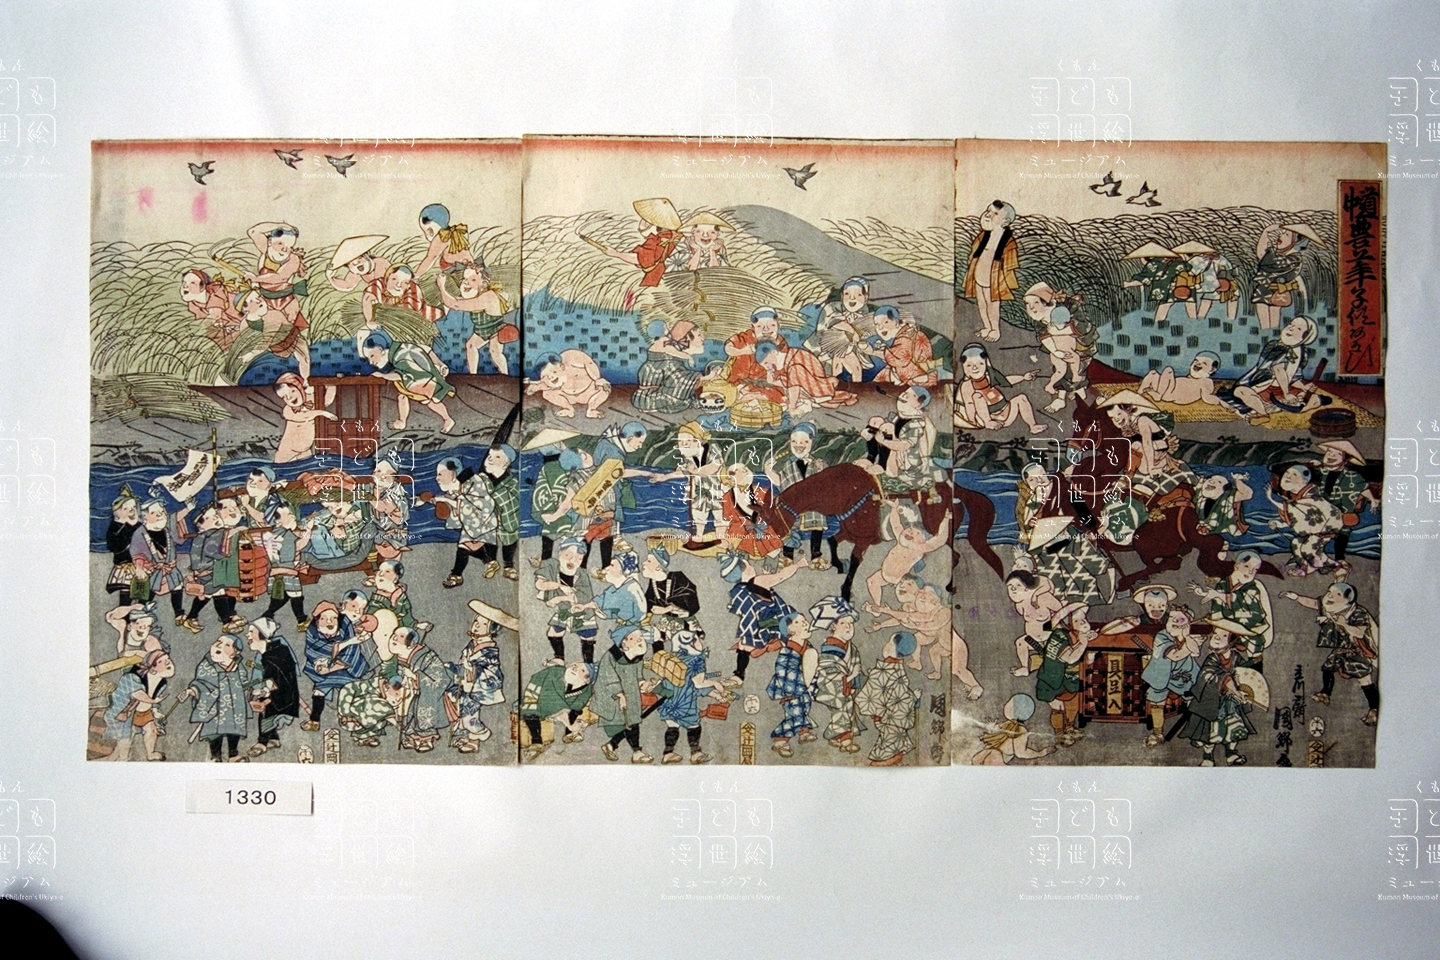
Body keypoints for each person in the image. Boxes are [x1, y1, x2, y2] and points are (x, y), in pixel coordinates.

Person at [1284, 581, 1379, 725]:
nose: (1330, 596)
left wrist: (1344, 624)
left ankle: (1374, 709)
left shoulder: (1358, 612)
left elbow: (1360, 633)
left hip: (1358, 651)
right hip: (1341, 649)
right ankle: (1325, 693)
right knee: (1328, 668)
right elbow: (1314, 603)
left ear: (1347, 600)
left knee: (1364, 680)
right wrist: (1296, 597)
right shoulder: (1330, 608)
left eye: (1337, 594)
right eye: (1329, 592)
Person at [1178, 621, 1258, 765]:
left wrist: (1243, 690)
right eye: (1215, 633)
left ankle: (1231, 754)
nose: (1216, 637)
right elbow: (1208, 675)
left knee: (1232, 729)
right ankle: (1208, 757)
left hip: (1231, 704)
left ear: (1232, 641)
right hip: (1212, 701)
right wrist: (1229, 684)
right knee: (1211, 731)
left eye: (1224, 635)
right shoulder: (1212, 658)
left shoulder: (1236, 658)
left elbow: (1244, 674)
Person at [718, 549, 801, 685]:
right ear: (743, 572)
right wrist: (798, 565)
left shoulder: (740, 589)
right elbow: (782, 576)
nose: (752, 566)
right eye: (749, 565)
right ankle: (772, 644)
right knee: (785, 631)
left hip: (756, 624)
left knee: (744, 646)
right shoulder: (758, 581)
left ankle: (739, 675)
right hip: (772, 620)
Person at [242, 221, 311, 380]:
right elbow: (253, 231)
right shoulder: (266, 251)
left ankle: (307, 382)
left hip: (286, 304)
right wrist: (279, 225)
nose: (284, 249)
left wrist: (256, 279)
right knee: (256, 331)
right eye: (280, 243)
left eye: (289, 246)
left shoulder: (293, 259)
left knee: (297, 344)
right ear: (270, 241)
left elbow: (280, 277)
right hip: (265, 303)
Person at [357, 325, 455, 432]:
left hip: (424, 381)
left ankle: (403, 422)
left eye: (372, 356)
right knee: (410, 397)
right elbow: (425, 351)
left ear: (381, 349)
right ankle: (446, 419)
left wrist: (383, 376)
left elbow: (400, 375)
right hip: (427, 378)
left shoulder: (399, 357)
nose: (371, 362)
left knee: (416, 397)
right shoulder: (401, 348)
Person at [447, 599, 516, 752]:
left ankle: (477, 737)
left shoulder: (490, 649)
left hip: (479, 686)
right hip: (466, 683)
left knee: (469, 716)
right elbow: (464, 662)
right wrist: (455, 667)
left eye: (483, 624)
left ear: (491, 629)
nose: (477, 625)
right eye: (476, 622)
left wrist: (469, 667)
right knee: (458, 706)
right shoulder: (472, 643)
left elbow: (482, 667)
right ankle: (464, 737)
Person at [1228, 314, 1321, 423]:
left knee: (1315, 398)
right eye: (1291, 324)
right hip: (1264, 386)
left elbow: (1293, 377)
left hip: (1283, 389)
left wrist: (1303, 387)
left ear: (1305, 337)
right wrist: (1286, 394)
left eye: (1298, 328)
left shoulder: (1301, 353)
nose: (1291, 328)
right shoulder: (1276, 346)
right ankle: (1262, 413)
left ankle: (1286, 407)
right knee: (1241, 392)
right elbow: (1278, 371)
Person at [764, 422, 832, 569]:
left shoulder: (818, 463)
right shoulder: (787, 465)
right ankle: (787, 556)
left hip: (812, 504)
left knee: (818, 521)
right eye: (794, 441)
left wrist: (822, 471)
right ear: (789, 442)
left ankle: (816, 555)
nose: (798, 445)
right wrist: (769, 471)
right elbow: (781, 482)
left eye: (804, 442)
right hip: (792, 504)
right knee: (787, 524)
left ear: (812, 443)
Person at [1189, 549, 1273, 666]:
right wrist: (1218, 619)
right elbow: (1217, 610)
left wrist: (1219, 595)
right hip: (1228, 625)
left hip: (1251, 625)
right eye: (1247, 566)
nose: (1250, 572)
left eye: (1255, 570)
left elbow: (1241, 598)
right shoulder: (1223, 584)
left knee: (1255, 646)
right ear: (1237, 565)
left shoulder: (1252, 587)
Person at [653, 421, 727, 552]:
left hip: (716, 488)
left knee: (719, 513)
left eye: (686, 441)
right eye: (680, 442)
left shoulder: (712, 448)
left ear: (697, 441)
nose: (683, 445)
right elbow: (684, 471)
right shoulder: (690, 458)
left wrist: (695, 471)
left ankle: (721, 538)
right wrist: (665, 477)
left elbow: (714, 466)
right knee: (698, 513)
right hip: (698, 490)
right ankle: (698, 537)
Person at [654, 629, 725, 764]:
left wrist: (713, 693)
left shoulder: (675, 657)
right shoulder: (697, 660)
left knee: (672, 726)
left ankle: (668, 753)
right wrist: (715, 684)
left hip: (670, 700)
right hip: (685, 701)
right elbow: (698, 684)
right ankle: (695, 753)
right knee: (694, 727)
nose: (701, 643)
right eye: (697, 640)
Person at [180, 634, 251, 763]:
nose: (219, 645)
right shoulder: (206, 665)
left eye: (227, 645)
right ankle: (215, 756)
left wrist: (252, 692)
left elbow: (244, 683)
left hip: (234, 707)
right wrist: (193, 690)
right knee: (214, 733)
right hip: (214, 707)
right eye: (218, 641)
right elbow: (200, 683)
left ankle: (233, 755)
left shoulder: (238, 667)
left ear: (235, 652)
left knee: (234, 730)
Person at [299, 601, 370, 731]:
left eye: (333, 618)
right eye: (324, 618)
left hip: (347, 668)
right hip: (323, 669)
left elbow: (352, 649)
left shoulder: (345, 624)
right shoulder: (312, 631)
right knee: (318, 691)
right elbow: (312, 651)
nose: (329, 622)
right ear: (318, 620)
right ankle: (314, 721)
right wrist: (342, 645)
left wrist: (334, 666)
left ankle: (359, 721)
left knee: (352, 692)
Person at [867, 573, 951, 681]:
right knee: (917, 639)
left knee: (943, 649)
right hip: (927, 633)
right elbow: (899, 619)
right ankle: (918, 662)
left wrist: (886, 611)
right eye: (901, 583)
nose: (902, 586)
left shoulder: (925, 605)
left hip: (940, 634)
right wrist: (881, 625)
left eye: (910, 584)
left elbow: (909, 617)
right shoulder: (906, 606)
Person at [808, 597, 866, 753]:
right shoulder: (829, 648)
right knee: (841, 711)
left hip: (846, 688)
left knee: (847, 712)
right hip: (832, 689)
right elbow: (828, 675)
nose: (848, 627)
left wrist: (853, 682)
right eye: (843, 623)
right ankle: (845, 742)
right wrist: (850, 677)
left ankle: (836, 738)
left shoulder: (851, 647)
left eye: (851, 623)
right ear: (833, 626)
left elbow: (855, 666)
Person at [1267, 463, 1346, 577]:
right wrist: (1280, 524)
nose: (1288, 476)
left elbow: (1302, 512)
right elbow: (1299, 519)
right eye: (1287, 473)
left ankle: (1333, 565)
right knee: (1296, 543)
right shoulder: (1296, 498)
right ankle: (1304, 567)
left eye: (1294, 474)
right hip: (1314, 529)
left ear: (1305, 480)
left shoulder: (1311, 496)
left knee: (1308, 549)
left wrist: (1271, 499)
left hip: (1325, 528)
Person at [855, 631, 922, 766]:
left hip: (891, 721)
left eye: (889, 643)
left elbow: (900, 695)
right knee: (895, 745)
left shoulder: (892, 670)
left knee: (889, 748)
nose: (886, 645)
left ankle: (884, 764)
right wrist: (913, 697)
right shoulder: (894, 669)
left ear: (894, 649)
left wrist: (913, 697)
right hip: (888, 718)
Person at [1139, 605, 1202, 747]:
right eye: (1171, 617)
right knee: (1157, 700)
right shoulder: (1162, 636)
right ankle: (1157, 733)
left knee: (1197, 696)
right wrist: (1188, 644)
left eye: (1179, 619)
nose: (1173, 621)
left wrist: (1187, 638)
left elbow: (1196, 652)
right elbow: (1175, 655)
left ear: (1188, 623)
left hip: (1184, 673)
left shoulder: (1188, 637)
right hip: (1161, 674)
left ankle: (1196, 731)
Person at [1023, 282, 1090, 412]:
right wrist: (1055, 351)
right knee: (1060, 369)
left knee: (1076, 364)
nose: (1031, 307)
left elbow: (1082, 327)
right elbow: (1044, 337)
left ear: (1047, 302)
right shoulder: (1040, 321)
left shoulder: (1066, 309)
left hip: (1081, 344)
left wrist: (1060, 332)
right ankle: (1060, 395)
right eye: (1027, 304)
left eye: (1036, 302)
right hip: (1058, 350)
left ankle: (1077, 391)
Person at [437, 261, 514, 375]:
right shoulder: (477, 294)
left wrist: (442, 287)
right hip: (482, 329)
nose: (466, 283)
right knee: (473, 345)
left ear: (483, 282)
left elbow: (455, 304)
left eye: (473, 280)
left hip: (495, 328)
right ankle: (473, 375)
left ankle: (505, 376)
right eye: (465, 279)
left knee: (495, 352)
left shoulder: (487, 297)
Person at [1031, 604, 1092, 747]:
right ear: (1068, 625)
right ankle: (1059, 734)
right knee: (1058, 707)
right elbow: (1070, 658)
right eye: (1076, 621)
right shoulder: (1061, 636)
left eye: (1083, 619)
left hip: (1067, 677)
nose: (1082, 622)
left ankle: (1070, 726)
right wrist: (1084, 643)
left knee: (1074, 700)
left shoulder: (1073, 635)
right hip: (1051, 679)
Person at [860, 385, 939, 495]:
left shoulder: (915, 424)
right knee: (881, 424)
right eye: (905, 392)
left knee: (887, 428)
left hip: (906, 464)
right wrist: (871, 430)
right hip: (893, 456)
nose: (904, 395)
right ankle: (872, 459)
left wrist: (884, 441)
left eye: (912, 395)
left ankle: (883, 468)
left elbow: (905, 445)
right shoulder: (898, 417)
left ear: (918, 404)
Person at [593, 629, 655, 763]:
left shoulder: (637, 656)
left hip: (631, 693)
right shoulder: (611, 657)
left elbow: (638, 676)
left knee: (632, 721)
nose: (640, 640)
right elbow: (608, 678)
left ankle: (612, 745)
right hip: (611, 694)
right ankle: (636, 752)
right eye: (634, 638)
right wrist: (620, 695)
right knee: (628, 722)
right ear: (624, 643)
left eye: (641, 637)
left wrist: (643, 684)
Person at [1311, 439, 1377, 565]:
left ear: (1345, 460)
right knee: (1316, 533)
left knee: (1343, 533)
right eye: (1329, 452)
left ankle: (1340, 558)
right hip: (1324, 509)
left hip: (1342, 509)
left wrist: (1373, 500)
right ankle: (1315, 556)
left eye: (1338, 454)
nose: (1331, 455)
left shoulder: (1352, 475)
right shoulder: (1322, 471)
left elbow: (1363, 488)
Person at [954, 342, 1045, 434]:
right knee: (977, 396)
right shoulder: (967, 384)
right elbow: (969, 403)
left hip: (1006, 413)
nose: (975, 368)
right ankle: (988, 422)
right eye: (969, 365)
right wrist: (972, 421)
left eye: (980, 364)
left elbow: (1006, 380)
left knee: (1021, 398)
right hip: (988, 417)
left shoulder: (990, 376)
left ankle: (1033, 426)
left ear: (986, 363)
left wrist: (1023, 377)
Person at [102, 648, 174, 762]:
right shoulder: (133, 677)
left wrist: (155, 710)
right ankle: (119, 758)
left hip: (145, 712)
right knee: (126, 741)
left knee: (151, 730)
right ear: (153, 669)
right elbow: (138, 694)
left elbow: (154, 697)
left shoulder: (162, 683)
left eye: (167, 659)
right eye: (161, 661)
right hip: (127, 714)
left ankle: (150, 754)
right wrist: (153, 701)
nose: (168, 662)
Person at [961, 200, 1019, 342]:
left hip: (993, 278)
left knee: (992, 303)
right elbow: (974, 252)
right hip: (978, 274)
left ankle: (995, 330)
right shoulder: (984, 235)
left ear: (1005, 221)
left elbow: (1009, 263)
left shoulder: (1007, 240)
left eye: (995, 213)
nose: (989, 215)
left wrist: (1003, 280)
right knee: (981, 302)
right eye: (989, 211)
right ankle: (987, 326)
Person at [536, 537, 600, 664]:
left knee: (587, 636)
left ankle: (589, 664)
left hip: (582, 611)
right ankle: (559, 658)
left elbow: (583, 597)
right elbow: (540, 584)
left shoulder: (581, 574)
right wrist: (560, 586)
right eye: (568, 555)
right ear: (560, 553)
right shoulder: (551, 566)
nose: (572, 561)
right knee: (554, 632)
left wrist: (559, 598)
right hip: (564, 609)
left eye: (578, 559)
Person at [435, 457, 496, 588]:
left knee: (464, 545)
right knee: (465, 546)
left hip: (484, 522)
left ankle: (457, 575)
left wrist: (448, 501)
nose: (437, 478)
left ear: (452, 474)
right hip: (472, 525)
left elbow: (477, 505)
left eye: (440, 474)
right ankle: (488, 561)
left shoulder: (473, 483)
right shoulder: (455, 489)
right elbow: (454, 503)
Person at [244, 617, 300, 757]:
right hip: (278, 693)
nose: (248, 635)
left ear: (262, 634)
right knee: (265, 705)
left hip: (285, 696)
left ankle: (262, 742)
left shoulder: (275, 655)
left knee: (265, 711)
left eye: (251, 632)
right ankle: (273, 738)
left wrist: (264, 693)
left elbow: (279, 682)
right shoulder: (268, 653)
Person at [750, 340, 857, 413]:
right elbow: (789, 383)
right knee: (785, 377)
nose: (767, 366)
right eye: (764, 365)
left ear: (774, 352)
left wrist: (792, 407)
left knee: (795, 371)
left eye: (767, 362)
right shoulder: (787, 360)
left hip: (819, 385)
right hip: (810, 387)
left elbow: (795, 385)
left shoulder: (794, 359)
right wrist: (772, 381)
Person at [391, 625, 452, 753]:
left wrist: (415, 676)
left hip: (428, 693)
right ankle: (412, 738)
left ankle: (426, 740)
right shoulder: (400, 657)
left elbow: (441, 679)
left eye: (401, 636)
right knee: (408, 714)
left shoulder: (426, 656)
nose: (394, 639)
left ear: (411, 643)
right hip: (411, 691)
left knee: (422, 713)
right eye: (394, 635)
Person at [766, 612, 818, 758]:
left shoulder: (808, 647)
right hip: (790, 688)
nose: (806, 623)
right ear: (790, 630)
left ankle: (803, 732)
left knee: (804, 708)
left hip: (804, 687)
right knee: (794, 714)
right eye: (799, 622)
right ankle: (780, 741)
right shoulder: (787, 650)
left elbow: (811, 667)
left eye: (805, 621)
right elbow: (782, 672)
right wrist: (790, 691)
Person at [525, 430, 581, 563]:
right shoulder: (555, 456)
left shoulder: (554, 462)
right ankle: (547, 558)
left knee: (554, 526)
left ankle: (548, 558)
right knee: (554, 527)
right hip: (557, 465)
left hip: (558, 466)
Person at [518, 661, 593, 761]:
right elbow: (550, 700)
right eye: (574, 665)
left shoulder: (587, 689)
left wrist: (571, 722)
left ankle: (569, 732)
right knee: (531, 711)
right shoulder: (554, 674)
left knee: (575, 708)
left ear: (586, 680)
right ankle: (536, 742)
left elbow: (577, 705)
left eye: (582, 670)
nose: (575, 668)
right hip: (539, 692)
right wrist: (568, 722)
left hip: (559, 701)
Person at [130, 498, 188, 625]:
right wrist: (140, 568)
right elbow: (137, 553)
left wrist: (188, 509)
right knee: (149, 590)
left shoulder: (167, 530)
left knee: (177, 586)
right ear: (144, 517)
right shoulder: (140, 533)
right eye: (154, 513)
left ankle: (179, 613)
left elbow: (175, 518)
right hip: (153, 569)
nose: (159, 515)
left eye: (162, 511)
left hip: (170, 568)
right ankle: (140, 610)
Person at [806, 276, 877, 380]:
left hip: (848, 347)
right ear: (842, 295)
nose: (852, 298)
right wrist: (852, 331)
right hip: (824, 346)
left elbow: (864, 333)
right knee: (831, 368)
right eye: (847, 294)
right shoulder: (833, 306)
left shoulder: (863, 313)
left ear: (865, 298)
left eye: (858, 295)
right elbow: (833, 322)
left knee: (856, 369)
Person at [603, 197, 682, 288]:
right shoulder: (670, 236)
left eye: (645, 219)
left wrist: (616, 254)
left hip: (655, 276)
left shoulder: (659, 240)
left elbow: (640, 258)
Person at [634, 319, 705, 413]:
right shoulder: (664, 342)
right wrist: (688, 357)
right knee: (677, 401)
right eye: (665, 328)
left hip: (652, 370)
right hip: (656, 372)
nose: (668, 330)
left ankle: (648, 404)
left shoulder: (662, 344)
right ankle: (650, 404)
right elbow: (673, 353)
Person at [1252, 223, 1313, 330]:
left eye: (1286, 235)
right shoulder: (1276, 255)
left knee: (1274, 324)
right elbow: (1261, 255)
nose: (1281, 235)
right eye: (1283, 233)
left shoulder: (1294, 258)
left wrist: (1266, 235)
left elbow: (1267, 259)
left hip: (1278, 292)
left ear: (1295, 242)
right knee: (1264, 325)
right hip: (1263, 290)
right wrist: (1265, 233)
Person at [259, 502, 309, 629]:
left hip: (274, 572)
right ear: (278, 521)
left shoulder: (270, 534)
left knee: (281, 597)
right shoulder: (287, 535)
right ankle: (301, 620)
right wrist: (308, 531)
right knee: (296, 595)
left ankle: (267, 615)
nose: (293, 517)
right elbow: (298, 546)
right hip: (287, 571)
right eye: (289, 514)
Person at [641, 544, 700, 650]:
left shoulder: (677, 577)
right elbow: (648, 601)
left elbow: (690, 598)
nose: (643, 563)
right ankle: (658, 657)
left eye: (649, 561)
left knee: (686, 645)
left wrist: (667, 608)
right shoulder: (653, 582)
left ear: (658, 566)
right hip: (666, 621)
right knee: (654, 637)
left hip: (684, 621)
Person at [721, 465, 783, 564]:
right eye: (737, 471)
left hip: (764, 529)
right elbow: (730, 519)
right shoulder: (727, 497)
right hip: (742, 531)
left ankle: (772, 557)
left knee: (772, 548)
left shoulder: (761, 491)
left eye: (745, 470)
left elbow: (775, 509)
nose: (744, 472)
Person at [587, 552, 649, 652]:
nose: (607, 569)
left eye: (612, 565)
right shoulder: (615, 588)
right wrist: (584, 606)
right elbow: (601, 600)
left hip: (632, 631)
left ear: (622, 571)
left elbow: (640, 612)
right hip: (625, 629)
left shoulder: (630, 588)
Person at [971, 693, 1055, 765]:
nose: (1005, 705)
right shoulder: (1008, 725)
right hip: (994, 754)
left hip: (994, 755)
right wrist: (1039, 753)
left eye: (1009, 703)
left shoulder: (1020, 729)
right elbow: (1021, 753)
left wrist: (1040, 753)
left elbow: (1020, 752)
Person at [525, 350, 611, 419]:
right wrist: (535, 388)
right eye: (546, 376)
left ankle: (592, 410)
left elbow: (589, 363)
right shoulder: (547, 379)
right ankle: (568, 409)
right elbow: (547, 386)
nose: (551, 377)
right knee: (547, 394)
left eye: (554, 372)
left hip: (589, 392)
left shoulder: (570, 357)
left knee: (604, 388)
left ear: (561, 366)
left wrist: (597, 379)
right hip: (568, 397)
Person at [722, 307, 791, 390]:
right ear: (753, 327)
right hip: (739, 381)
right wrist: (743, 351)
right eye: (760, 326)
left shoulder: (781, 343)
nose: (766, 329)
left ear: (778, 325)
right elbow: (728, 348)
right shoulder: (747, 337)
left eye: (772, 325)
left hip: (766, 385)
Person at [479, 444, 521, 581]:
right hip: (489, 518)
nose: (491, 459)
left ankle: (508, 566)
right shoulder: (483, 479)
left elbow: (514, 500)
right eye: (489, 456)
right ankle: (491, 561)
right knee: (488, 538)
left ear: (506, 463)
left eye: (497, 457)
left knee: (509, 541)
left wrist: (492, 496)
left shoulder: (512, 482)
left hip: (507, 518)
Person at [273, 372, 336, 463]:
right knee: (281, 469)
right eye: (284, 397)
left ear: (300, 388)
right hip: (287, 452)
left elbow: (327, 400)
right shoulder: (288, 410)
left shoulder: (311, 400)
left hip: (305, 450)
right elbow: (304, 416)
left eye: (293, 391)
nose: (290, 397)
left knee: (308, 469)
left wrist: (330, 384)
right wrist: (322, 413)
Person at [871, 305, 938, 388]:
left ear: (896, 322)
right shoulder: (906, 333)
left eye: (886, 322)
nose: (880, 328)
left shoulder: (906, 337)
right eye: (877, 324)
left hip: (914, 374)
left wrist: (873, 352)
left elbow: (900, 359)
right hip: (903, 372)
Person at [336, 672, 407, 748]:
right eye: (396, 694)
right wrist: (345, 712)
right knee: (381, 706)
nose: (398, 699)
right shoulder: (371, 686)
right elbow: (348, 688)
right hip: (351, 716)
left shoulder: (385, 701)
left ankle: (364, 737)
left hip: (365, 725)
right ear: (388, 686)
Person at [180, 268, 243, 352]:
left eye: (192, 283)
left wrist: (194, 331)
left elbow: (215, 316)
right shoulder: (193, 305)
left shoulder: (216, 291)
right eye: (184, 282)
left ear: (203, 286)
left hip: (246, 321)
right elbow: (205, 325)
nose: (185, 286)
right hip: (230, 331)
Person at [1138, 352, 1225, 407]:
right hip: (1165, 389)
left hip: (1170, 393)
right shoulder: (1191, 377)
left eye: (1204, 363)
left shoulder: (1206, 381)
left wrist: (1221, 402)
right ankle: (1138, 394)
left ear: (1211, 370)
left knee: (1168, 370)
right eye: (1196, 361)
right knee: (1153, 373)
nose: (1197, 364)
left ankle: (1158, 396)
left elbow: (1207, 397)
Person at [369, 453, 412, 561]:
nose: (382, 476)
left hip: (395, 536)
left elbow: (385, 508)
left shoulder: (397, 494)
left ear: (394, 477)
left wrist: (367, 498)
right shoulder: (369, 489)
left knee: (393, 559)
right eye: (378, 471)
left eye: (387, 474)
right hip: (376, 535)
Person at [415, 203, 477, 277]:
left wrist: (416, 275)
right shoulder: (455, 232)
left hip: (458, 274)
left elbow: (431, 258)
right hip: (470, 270)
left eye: (428, 231)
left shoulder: (442, 237)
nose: (427, 236)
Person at [105, 491, 142, 608]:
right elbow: (114, 547)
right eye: (126, 508)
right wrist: (128, 526)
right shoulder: (115, 527)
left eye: (134, 507)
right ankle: (124, 616)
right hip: (124, 566)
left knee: (142, 594)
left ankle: (139, 615)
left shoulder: (139, 525)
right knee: (126, 596)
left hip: (141, 565)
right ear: (117, 512)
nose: (132, 510)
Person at [1193, 473, 1253, 544]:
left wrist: (1238, 481)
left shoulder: (1228, 497)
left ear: (1225, 489)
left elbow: (1247, 494)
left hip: (1219, 535)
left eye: (1219, 482)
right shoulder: (1199, 494)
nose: (1211, 482)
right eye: (1210, 479)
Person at [1099, 584, 1176, 638]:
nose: (1156, 609)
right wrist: (1127, 622)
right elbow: (1106, 631)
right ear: (1145, 605)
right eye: (1150, 605)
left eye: (1161, 605)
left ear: (1166, 606)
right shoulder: (1139, 620)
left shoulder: (1172, 619)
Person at [325, 235, 390, 293]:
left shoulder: (379, 262)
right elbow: (347, 285)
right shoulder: (356, 271)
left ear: (366, 256)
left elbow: (382, 284)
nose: (356, 263)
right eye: (350, 263)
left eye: (359, 258)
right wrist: (330, 277)